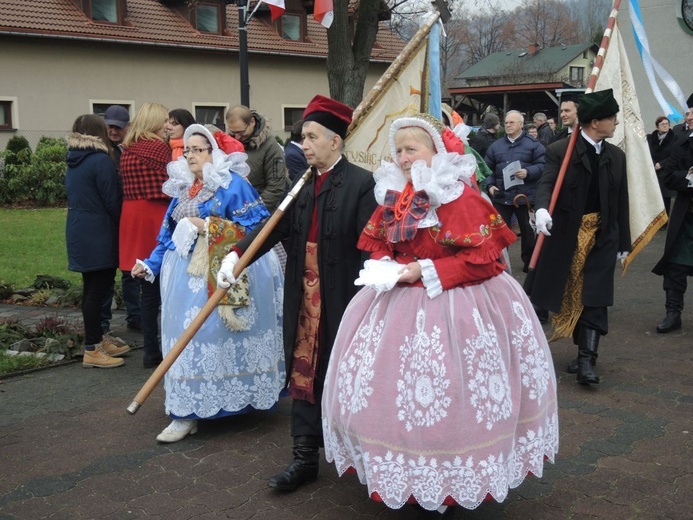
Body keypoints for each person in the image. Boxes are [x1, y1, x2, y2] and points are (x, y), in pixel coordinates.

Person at [321, 113, 558, 513]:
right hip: (398, 305)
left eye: (411, 149)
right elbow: (380, 242)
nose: (403, 157)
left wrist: (427, 270)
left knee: (456, 397)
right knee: (394, 397)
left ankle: (452, 476)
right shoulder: (395, 195)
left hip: (461, 308)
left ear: (435, 152)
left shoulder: (459, 197)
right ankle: (413, 472)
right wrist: (385, 264)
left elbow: (486, 261)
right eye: (398, 151)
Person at [217, 95, 378, 492]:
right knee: (302, 370)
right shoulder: (302, 184)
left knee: (344, 374)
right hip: (304, 298)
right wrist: (235, 255)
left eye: (310, 137)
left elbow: (370, 248)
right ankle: (304, 458)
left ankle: (363, 455)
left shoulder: (362, 183)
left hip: (342, 298)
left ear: (335, 141)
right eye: (302, 137)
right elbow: (275, 227)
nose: (303, 145)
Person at [132, 124, 285, 442]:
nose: (189, 155)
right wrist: (150, 264)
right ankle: (187, 410)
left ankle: (236, 395)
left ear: (214, 153)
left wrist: (207, 225)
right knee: (184, 336)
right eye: (186, 150)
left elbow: (257, 229)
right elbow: (167, 236)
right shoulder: (183, 191)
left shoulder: (233, 186)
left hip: (223, 267)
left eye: (197, 149)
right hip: (183, 278)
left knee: (214, 331)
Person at [525, 89, 631, 385]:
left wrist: (624, 240)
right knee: (564, 290)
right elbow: (546, 183)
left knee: (596, 295)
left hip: (602, 235)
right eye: (612, 118)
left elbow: (622, 199)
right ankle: (545, 347)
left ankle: (587, 359)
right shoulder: (561, 151)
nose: (616, 123)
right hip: (567, 236)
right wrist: (543, 209)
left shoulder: (617, 156)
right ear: (595, 122)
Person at [65, 114, 130, 368]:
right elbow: (112, 201)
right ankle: (92, 348)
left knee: (91, 288)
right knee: (98, 290)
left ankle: (97, 340)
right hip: (99, 232)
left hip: (80, 230)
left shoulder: (74, 160)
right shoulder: (101, 161)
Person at [119, 102, 171, 369]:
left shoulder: (127, 150)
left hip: (132, 217)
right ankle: (169, 348)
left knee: (146, 294)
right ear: (154, 122)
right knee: (165, 289)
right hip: (155, 217)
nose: (168, 125)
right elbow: (171, 187)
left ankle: (151, 352)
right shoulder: (159, 149)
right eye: (164, 120)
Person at [484, 110, 546, 272]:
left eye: (512, 122)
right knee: (498, 231)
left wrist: (528, 172)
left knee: (527, 231)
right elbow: (486, 169)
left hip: (525, 196)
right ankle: (499, 262)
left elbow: (544, 165)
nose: (508, 125)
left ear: (520, 125)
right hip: (502, 196)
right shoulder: (495, 146)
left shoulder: (533, 145)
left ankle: (530, 264)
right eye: (506, 123)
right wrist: (490, 185)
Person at [102, 105, 141, 334]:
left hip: (127, 215)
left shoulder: (128, 150)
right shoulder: (103, 152)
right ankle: (105, 323)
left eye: (118, 127)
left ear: (127, 127)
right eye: (110, 127)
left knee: (131, 269)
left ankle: (135, 316)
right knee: (107, 272)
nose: (114, 131)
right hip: (111, 218)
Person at [652, 126, 693, 333]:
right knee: (675, 267)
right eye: (689, 113)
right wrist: (689, 177)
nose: (690, 118)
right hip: (686, 218)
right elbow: (668, 177)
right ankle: (673, 314)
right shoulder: (681, 145)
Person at [225, 106, 289, 213]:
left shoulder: (270, 146)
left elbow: (275, 187)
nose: (236, 138)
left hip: (260, 211)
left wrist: (255, 211)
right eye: (232, 133)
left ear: (252, 122)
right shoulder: (228, 144)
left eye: (241, 132)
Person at [647, 116, 677, 218]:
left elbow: (675, 155)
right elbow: (647, 152)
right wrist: (654, 163)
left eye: (667, 124)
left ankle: (664, 220)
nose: (665, 126)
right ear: (657, 127)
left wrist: (661, 164)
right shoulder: (651, 138)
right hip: (653, 171)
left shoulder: (674, 138)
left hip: (666, 172)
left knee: (665, 198)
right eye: (662, 124)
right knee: (653, 196)